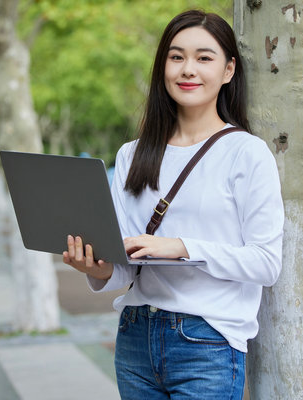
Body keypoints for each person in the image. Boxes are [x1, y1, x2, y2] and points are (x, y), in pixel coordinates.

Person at [63, 9, 283, 399]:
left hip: (207, 343)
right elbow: (127, 269)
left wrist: (182, 248)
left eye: (204, 58)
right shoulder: (132, 154)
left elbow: (266, 263)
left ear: (229, 70)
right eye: (176, 56)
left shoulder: (247, 153)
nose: (188, 69)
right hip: (135, 336)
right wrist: (94, 269)